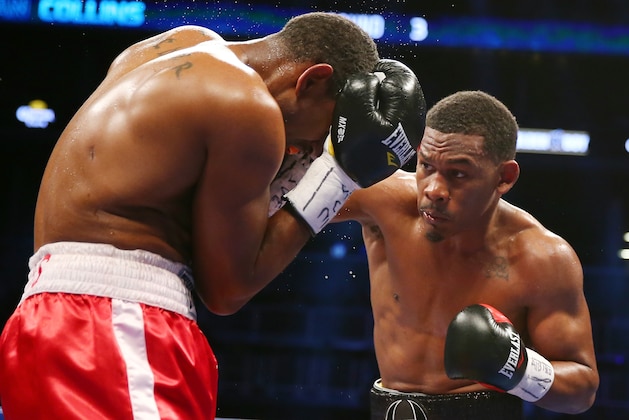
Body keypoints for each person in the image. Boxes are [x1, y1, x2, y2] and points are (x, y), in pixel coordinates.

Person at [0, 12, 427, 420]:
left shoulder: (179, 46)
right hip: (117, 328)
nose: (311, 152)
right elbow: (227, 290)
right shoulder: (249, 108)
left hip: (41, 320)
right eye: (323, 136)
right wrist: (338, 175)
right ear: (313, 80)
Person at [334, 90, 599, 419]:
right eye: (426, 166)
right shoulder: (384, 200)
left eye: (458, 174)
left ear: (504, 178)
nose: (433, 190)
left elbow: (582, 391)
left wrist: (519, 370)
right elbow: (274, 197)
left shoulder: (542, 259)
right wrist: (335, 140)